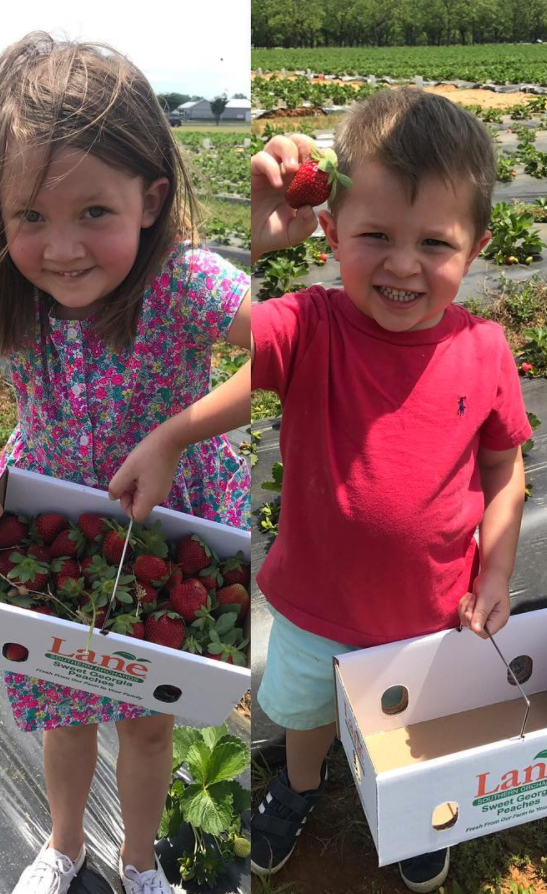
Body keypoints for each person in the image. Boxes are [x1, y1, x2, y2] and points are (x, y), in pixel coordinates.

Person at [0, 32, 251, 894]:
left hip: (167, 526)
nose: (63, 248)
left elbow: (286, 350)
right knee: (64, 707)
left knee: (148, 722)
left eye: (94, 213)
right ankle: (65, 843)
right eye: (30, 217)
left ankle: (140, 859)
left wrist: (174, 436)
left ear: (151, 198)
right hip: (50, 528)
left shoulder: (185, 284)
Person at [250, 88, 531, 893]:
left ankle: (413, 805)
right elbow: (211, 322)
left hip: (433, 609)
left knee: (415, 721)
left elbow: (504, 469)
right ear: (332, 231)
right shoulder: (309, 325)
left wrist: (497, 571)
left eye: (433, 243)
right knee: (305, 716)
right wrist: (260, 240)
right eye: (374, 235)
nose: (403, 264)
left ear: (475, 248)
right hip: (311, 606)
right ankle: (302, 787)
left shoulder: (485, 349)